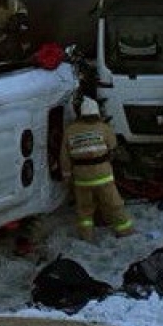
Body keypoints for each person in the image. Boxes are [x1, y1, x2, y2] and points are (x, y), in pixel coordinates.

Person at [60, 97, 134, 241]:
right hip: (103, 176)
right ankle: (126, 232)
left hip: (82, 179)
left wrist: (67, 176)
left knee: (84, 210)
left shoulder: (70, 131)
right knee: (114, 205)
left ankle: (86, 236)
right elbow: (113, 148)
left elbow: (64, 157)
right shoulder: (103, 128)